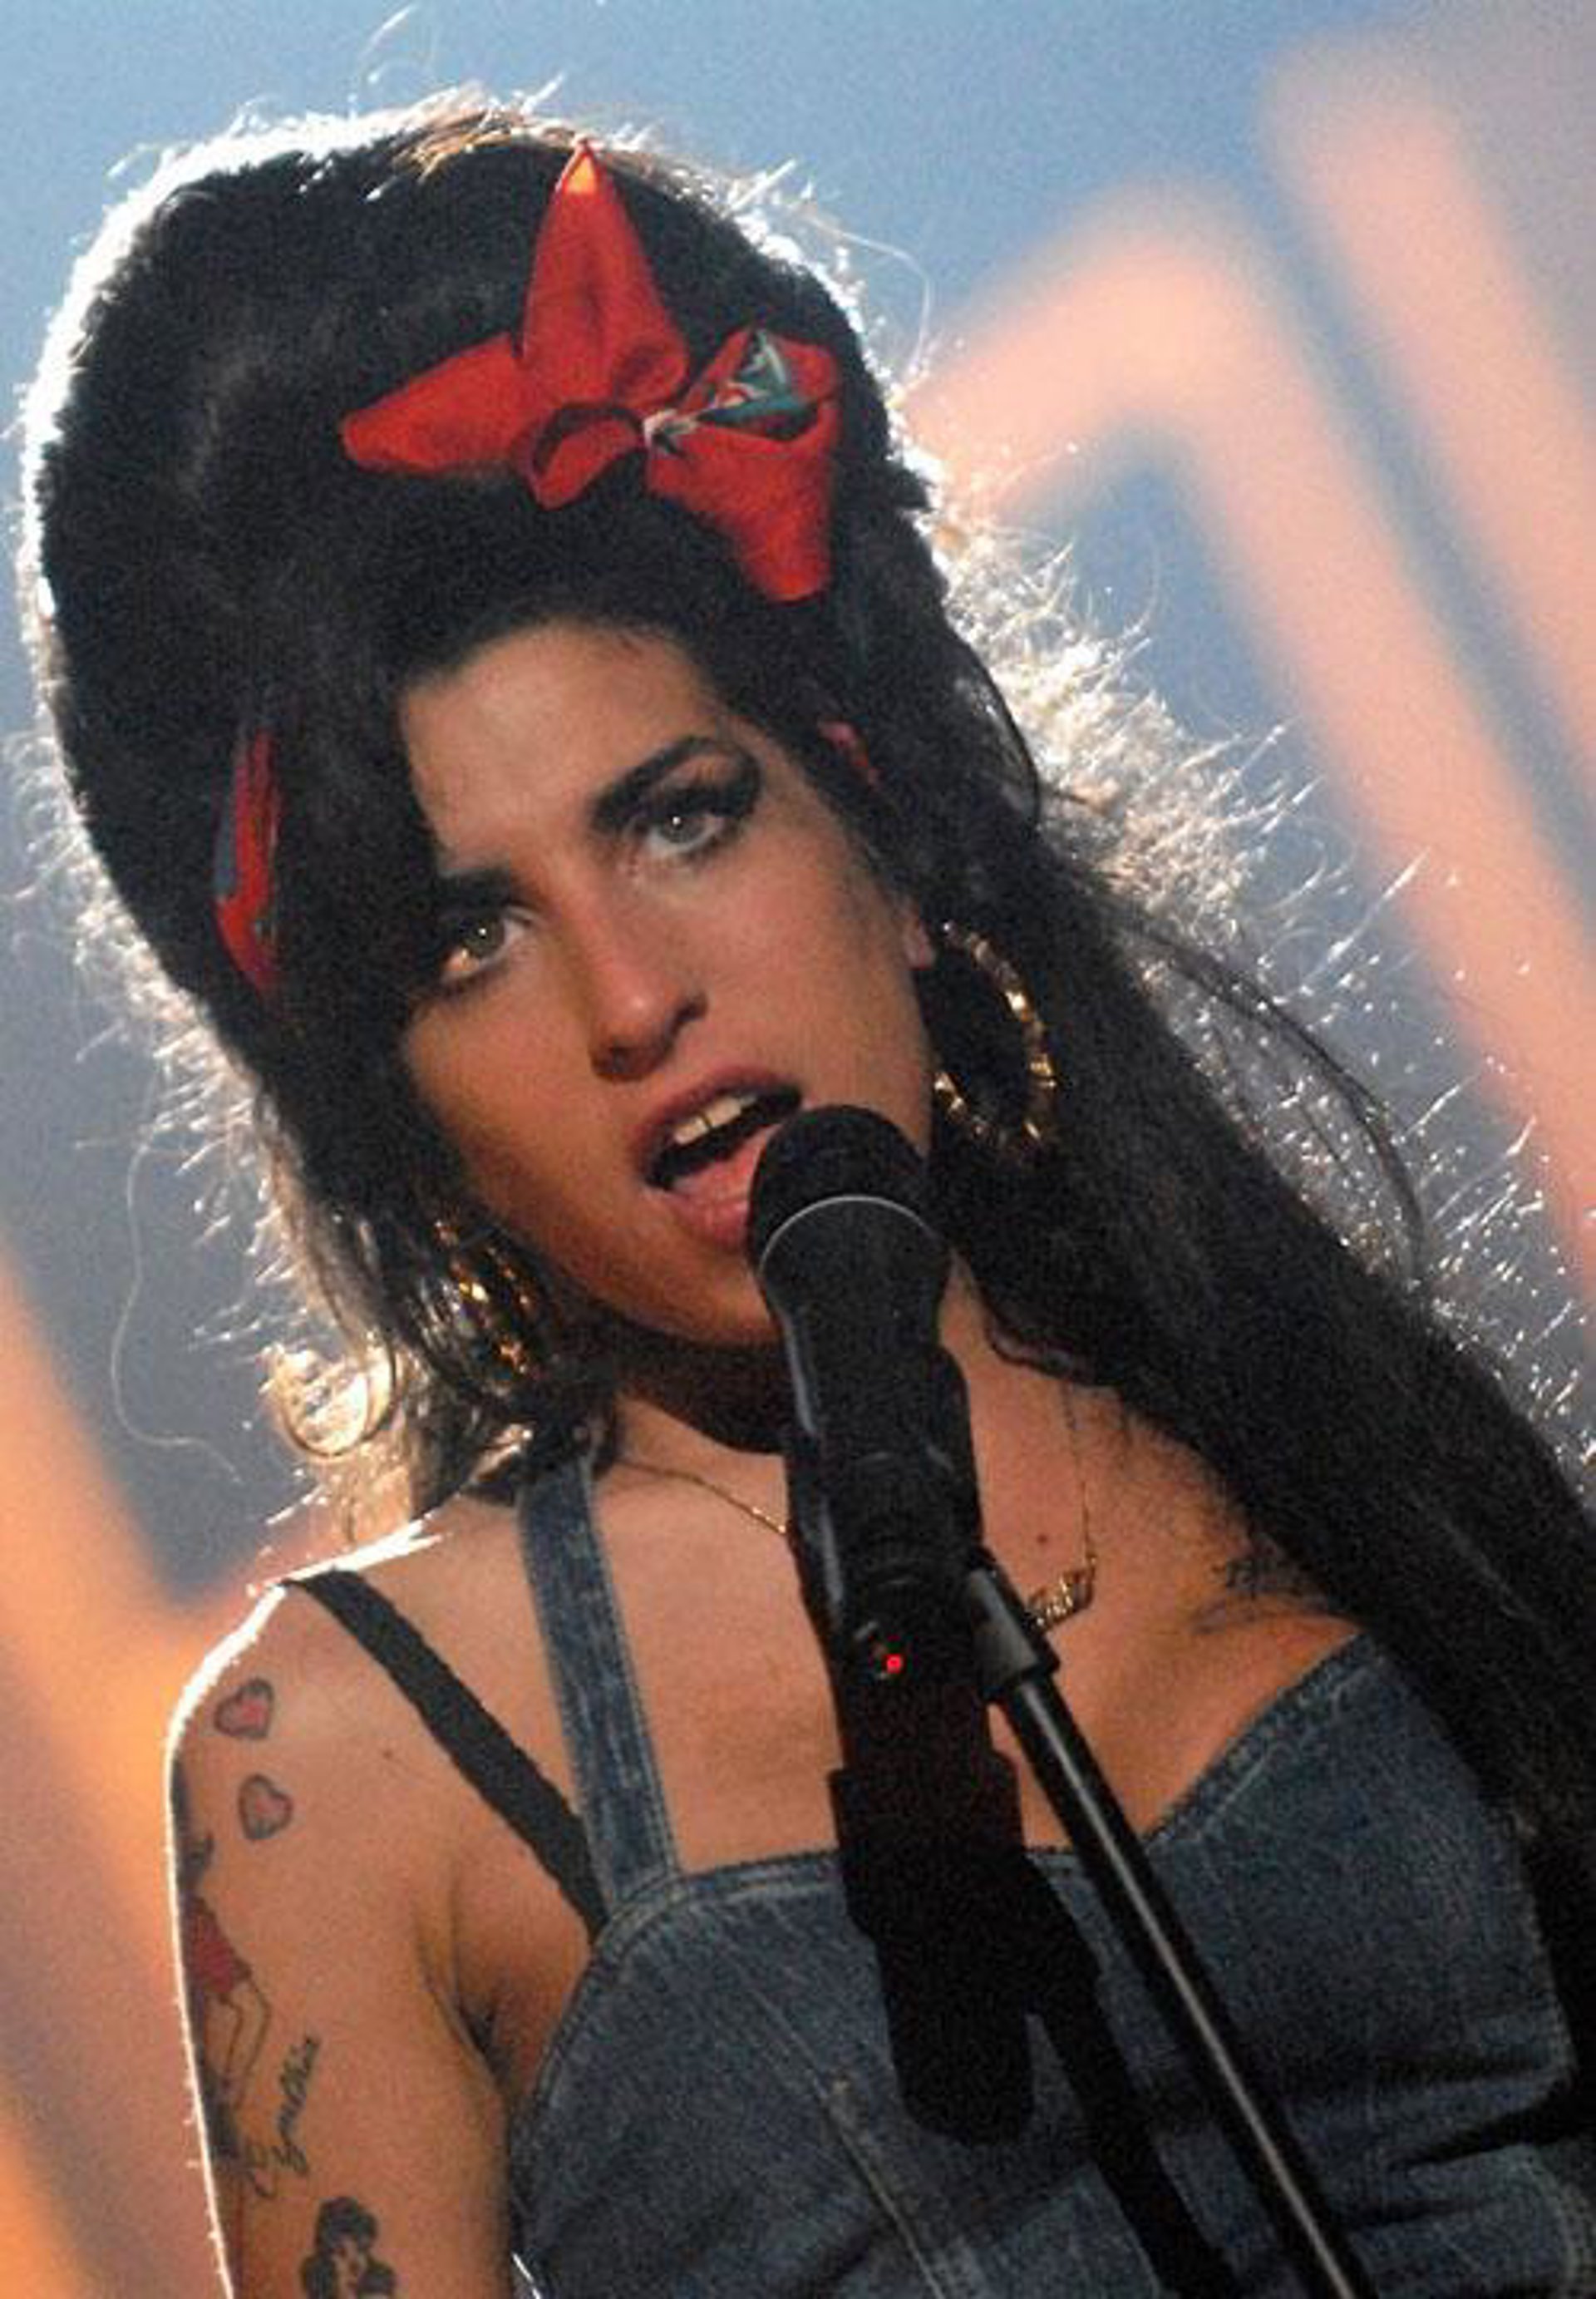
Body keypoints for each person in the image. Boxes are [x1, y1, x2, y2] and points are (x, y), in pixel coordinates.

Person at [18, 95, 1596, 2298]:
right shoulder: (349, 1760)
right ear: (399, 1114)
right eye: (470, 940)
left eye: (679, 815)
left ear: (889, 828)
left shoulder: (1288, 1399)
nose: (631, 997)